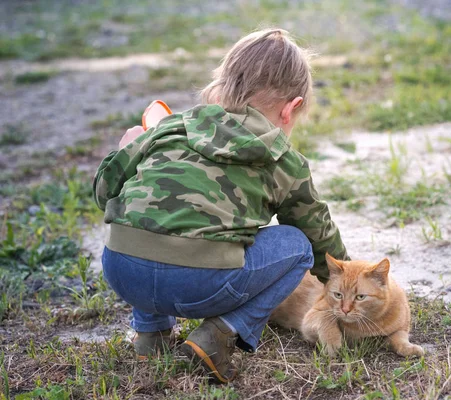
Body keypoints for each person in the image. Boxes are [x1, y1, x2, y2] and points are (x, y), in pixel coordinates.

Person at [93, 28, 349, 383]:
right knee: (297, 245)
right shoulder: (283, 158)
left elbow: (104, 192)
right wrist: (343, 275)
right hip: (201, 286)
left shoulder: (169, 127)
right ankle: (221, 333)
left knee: (151, 215)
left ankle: (150, 336)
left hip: (122, 272)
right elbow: (316, 232)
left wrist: (126, 149)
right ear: (292, 109)